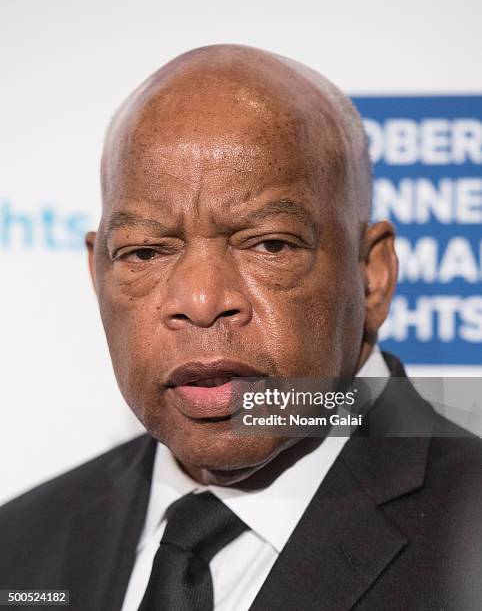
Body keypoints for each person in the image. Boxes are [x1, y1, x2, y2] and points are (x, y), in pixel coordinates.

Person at [1, 44, 481, 611]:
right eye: (145, 252)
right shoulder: (19, 547)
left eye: (270, 244)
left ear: (371, 275)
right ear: (98, 273)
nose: (201, 302)